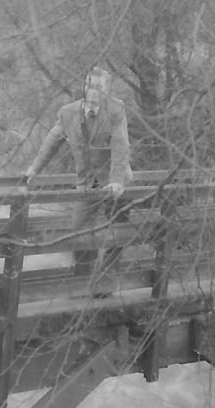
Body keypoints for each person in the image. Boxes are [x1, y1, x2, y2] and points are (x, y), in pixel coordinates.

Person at [20, 67, 132, 282]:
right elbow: (51, 143)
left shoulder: (116, 110)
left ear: (106, 90)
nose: (93, 91)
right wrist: (33, 170)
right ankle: (82, 280)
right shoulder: (68, 113)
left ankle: (107, 279)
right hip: (86, 183)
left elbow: (121, 145)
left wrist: (117, 181)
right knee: (78, 232)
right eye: (89, 85)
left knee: (119, 231)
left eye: (98, 87)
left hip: (113, 179)